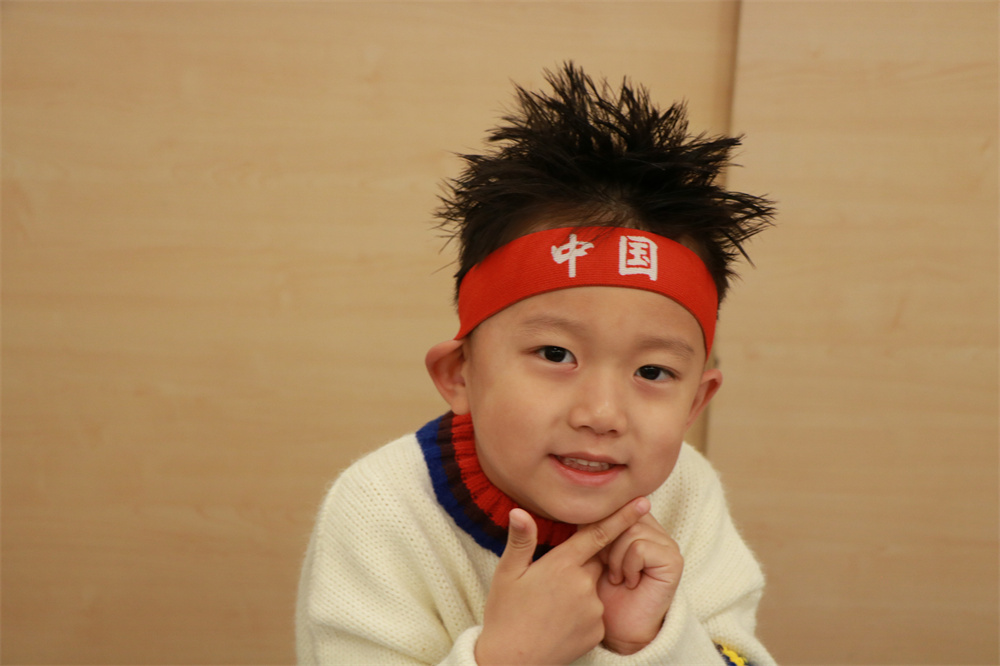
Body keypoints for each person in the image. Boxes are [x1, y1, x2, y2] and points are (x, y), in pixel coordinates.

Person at [296, 63, 776, 665]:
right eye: (555, 354)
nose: (602, 414)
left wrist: (650, 642)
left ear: (695, 403)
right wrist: (507, 658)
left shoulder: (687, 493)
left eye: (653, 372)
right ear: (459, 374)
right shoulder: (382, 508)